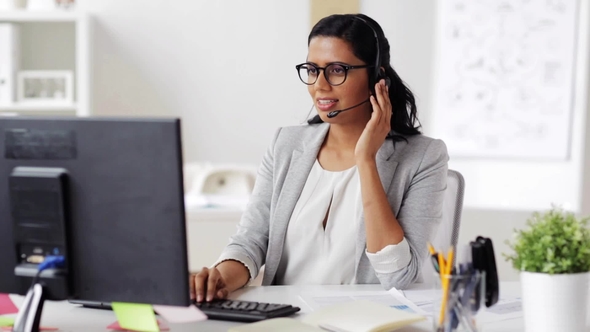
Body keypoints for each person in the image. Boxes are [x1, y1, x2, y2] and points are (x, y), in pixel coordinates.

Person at [192, 13, 448, 303]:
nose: (320, 85)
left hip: (363, 320)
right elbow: (250, 241)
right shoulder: (286, 144)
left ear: (377, 77)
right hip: (284, 318)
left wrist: (366, 160)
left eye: (337, 70)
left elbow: (398, 276)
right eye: (313, 69)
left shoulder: (424, 157)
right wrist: (219, 279)